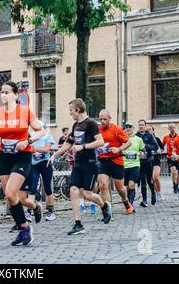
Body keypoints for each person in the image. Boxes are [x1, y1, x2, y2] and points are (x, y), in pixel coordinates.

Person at [0, 81, 45, 246]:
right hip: (5, 156)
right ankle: (30, 214)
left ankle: (25, 229)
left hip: (22, 156)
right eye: (1, 92)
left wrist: (28, 141)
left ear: (15, 95)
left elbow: (41, 130)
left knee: (11, 194)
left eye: (6, 92)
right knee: (12, 198)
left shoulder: (25, 111)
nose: (3, 95)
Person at [48, 98, 112, 235]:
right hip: (78, 164)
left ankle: (104, 206)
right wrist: (55, 155)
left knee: (87, 194)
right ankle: (78, 224)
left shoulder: (91, 124)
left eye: (71, 110)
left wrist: (83, 146)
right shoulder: (75, 125)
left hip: (90, 164)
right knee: (73, 190)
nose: (70, 113)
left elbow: (100, 142)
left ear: (77, 110)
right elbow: (68, 144)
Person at [96, 110, 134, 215]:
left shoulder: (116, 129)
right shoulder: (98, 130)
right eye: (101, 119)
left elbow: (128, 142)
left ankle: (125, 201)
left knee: (120, 188)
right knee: (103, 185)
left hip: (116, 160)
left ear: (110, 118)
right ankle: (108, 211)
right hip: (103, 161)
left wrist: (118, 149)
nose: (102, 121)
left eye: (105, 119)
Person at [28, 120, 57, 221]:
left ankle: (51, 211)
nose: (35, 129)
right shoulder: (30, 137)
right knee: (32, 188)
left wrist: (34, 149)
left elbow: (46, 149)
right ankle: (29, 211)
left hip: (45, 164)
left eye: (37, 127)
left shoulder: (47, 136)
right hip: (34, 165)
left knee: (48, 188)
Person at [123, 120, 145, 210]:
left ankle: (130, 205)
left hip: (135, 165)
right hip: (124, 165)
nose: (128, 128)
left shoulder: (138, 139)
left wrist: (142, 154)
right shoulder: (122, 139)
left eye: (130, 127)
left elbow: (143, 151)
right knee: (126, 187)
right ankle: (128, 204)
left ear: (133, 128)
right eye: (126, 127)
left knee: (132, 185)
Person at [136, 119, 159, 207]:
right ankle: (144, 200)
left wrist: (146, 146)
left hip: (148, 160)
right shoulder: (136, 135)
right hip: (140, 161)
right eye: (140, 125)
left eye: (142, 125)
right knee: (142, 181)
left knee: (149, 180)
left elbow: (155, 146)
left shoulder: (149, 135)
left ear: (145, 126)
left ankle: (153, 194)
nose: (141, 126)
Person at [162, 123, 179, 195]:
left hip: (178, 157)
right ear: (168, 129)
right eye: (170, 127)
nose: (172, 129)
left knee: (178, 172)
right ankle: (174, 185)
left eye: (173, 127)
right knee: (173, 171)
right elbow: (162, 145)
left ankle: (177, 186)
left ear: (175, 128)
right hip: (170, 157)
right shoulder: (166, 137)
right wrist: (159, 150)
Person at [147, 125, 165, 201]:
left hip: (156, 160)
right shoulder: (144, 140)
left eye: (150, 129)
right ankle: (156, 192)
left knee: (155, 177)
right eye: (147, 130)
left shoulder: (157, 139)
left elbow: (162, 149)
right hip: (148, 161)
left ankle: (159, 193)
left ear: (153, 131)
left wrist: (159, 151)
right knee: (152, 179)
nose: (148, 131)